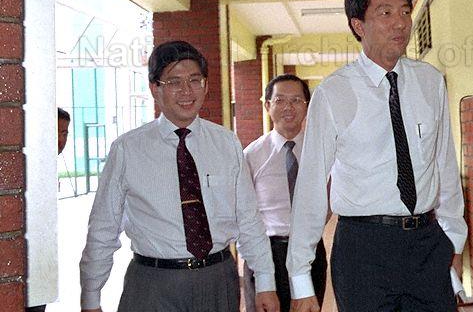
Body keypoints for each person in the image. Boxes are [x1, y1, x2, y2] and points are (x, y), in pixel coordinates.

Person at [287, 0, 467, 312]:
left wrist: (454, 242)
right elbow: (311, 186)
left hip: (427, 244)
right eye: (385, 13)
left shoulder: (430, 82)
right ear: (359, 25)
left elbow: (444, 164)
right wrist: (299, 279)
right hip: (363, 249)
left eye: (404, 12)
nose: (400, 23)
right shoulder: (333, 93)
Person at [79, 40, 279, 312]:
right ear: (155, 89)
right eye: (174, 82)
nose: (186, 90)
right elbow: (103, 227)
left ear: (206, 85)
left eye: (194, 80)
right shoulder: (128, 149)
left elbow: (248, 218)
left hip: (217, 279)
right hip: (152, 284)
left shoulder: (226, 143)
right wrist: (91, 297)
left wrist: (266, 282)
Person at [242, 74, 327, 312]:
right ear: (267, 105)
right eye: (280, 100)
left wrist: (309, 230)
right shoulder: (252, 155)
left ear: (306, 106)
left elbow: (330, 197)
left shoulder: (320, 150)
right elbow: (244, 212)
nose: (288, 107)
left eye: (296, 100)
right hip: (266, 253)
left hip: (310, 251)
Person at [24, 108, 73, 312]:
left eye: (65, 134)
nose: (61, 140)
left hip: (40, 260)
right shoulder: (27, 163)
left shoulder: (47, 165)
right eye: (56, 132)